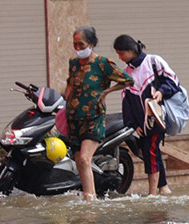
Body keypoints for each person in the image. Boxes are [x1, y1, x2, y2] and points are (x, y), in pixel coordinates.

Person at [65, 26, 130, 201]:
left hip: (93, 118)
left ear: (92, 44)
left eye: (81, 44)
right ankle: (90, 195)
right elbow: (69, 86)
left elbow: (127, 80)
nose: (78, 48)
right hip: (73, 119)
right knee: (79, 160)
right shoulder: (73, 64)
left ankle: (90, 202)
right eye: (75, 44)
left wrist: (105, 93)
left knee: (85, 159)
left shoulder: (102, 64)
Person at [114, 35, 179, 196]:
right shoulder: (127, 72)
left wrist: (161, 92)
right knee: (150, 151)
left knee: (150, 151)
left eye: (121, 53)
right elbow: (126, 101)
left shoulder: (154, 61)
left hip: (156, 118)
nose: (119, 57)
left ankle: (153, 193)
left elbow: (173, 81)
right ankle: (163, 187)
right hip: (141, 124)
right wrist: (133, 124)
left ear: (130, 50)